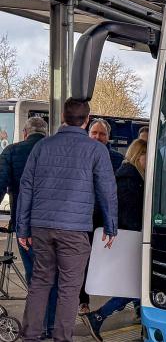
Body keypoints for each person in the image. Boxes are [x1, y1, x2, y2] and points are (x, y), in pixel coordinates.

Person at [17, 98, 118, 342]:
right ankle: (62, 338)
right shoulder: (96, 150)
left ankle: (30, 336)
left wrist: (23, 228)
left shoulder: (42, 146)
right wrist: (111, 226)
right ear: (87, 120)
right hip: (74, 229)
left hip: (41, 227)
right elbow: (107, 190)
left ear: (63, 117)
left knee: (40, 282)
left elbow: (26, 187)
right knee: (69, 288)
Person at [82, 139, 147, 342]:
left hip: (126, 237)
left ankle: (102, 317)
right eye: (147, 156)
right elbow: (128, 214)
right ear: (139, 155)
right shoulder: (129, 179)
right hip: (128, 239)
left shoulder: (130, 176)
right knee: (136, 286)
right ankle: (98, 316)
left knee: (136, 286)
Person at [0, 117, 57, 338]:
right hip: (56, 223)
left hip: (26, 224)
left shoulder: (12, 151)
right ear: (46, 132)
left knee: (36, 276)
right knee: (54, 275)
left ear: (25, 133)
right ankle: (51, 325)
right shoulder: (56, 150)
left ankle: (38, 327)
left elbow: (1, 184)